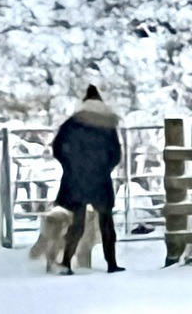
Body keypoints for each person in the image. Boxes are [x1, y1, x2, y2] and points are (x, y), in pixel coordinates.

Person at [51, 84, 125, 274]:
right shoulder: (108, 125)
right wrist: (104, 169)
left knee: (77, 222)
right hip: (100, 179)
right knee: (106, 221)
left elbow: (57, 148)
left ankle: (66, 262)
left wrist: (70, 167)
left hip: (75, 179)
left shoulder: (72, 124)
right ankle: (112, 263)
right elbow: (116, 154)